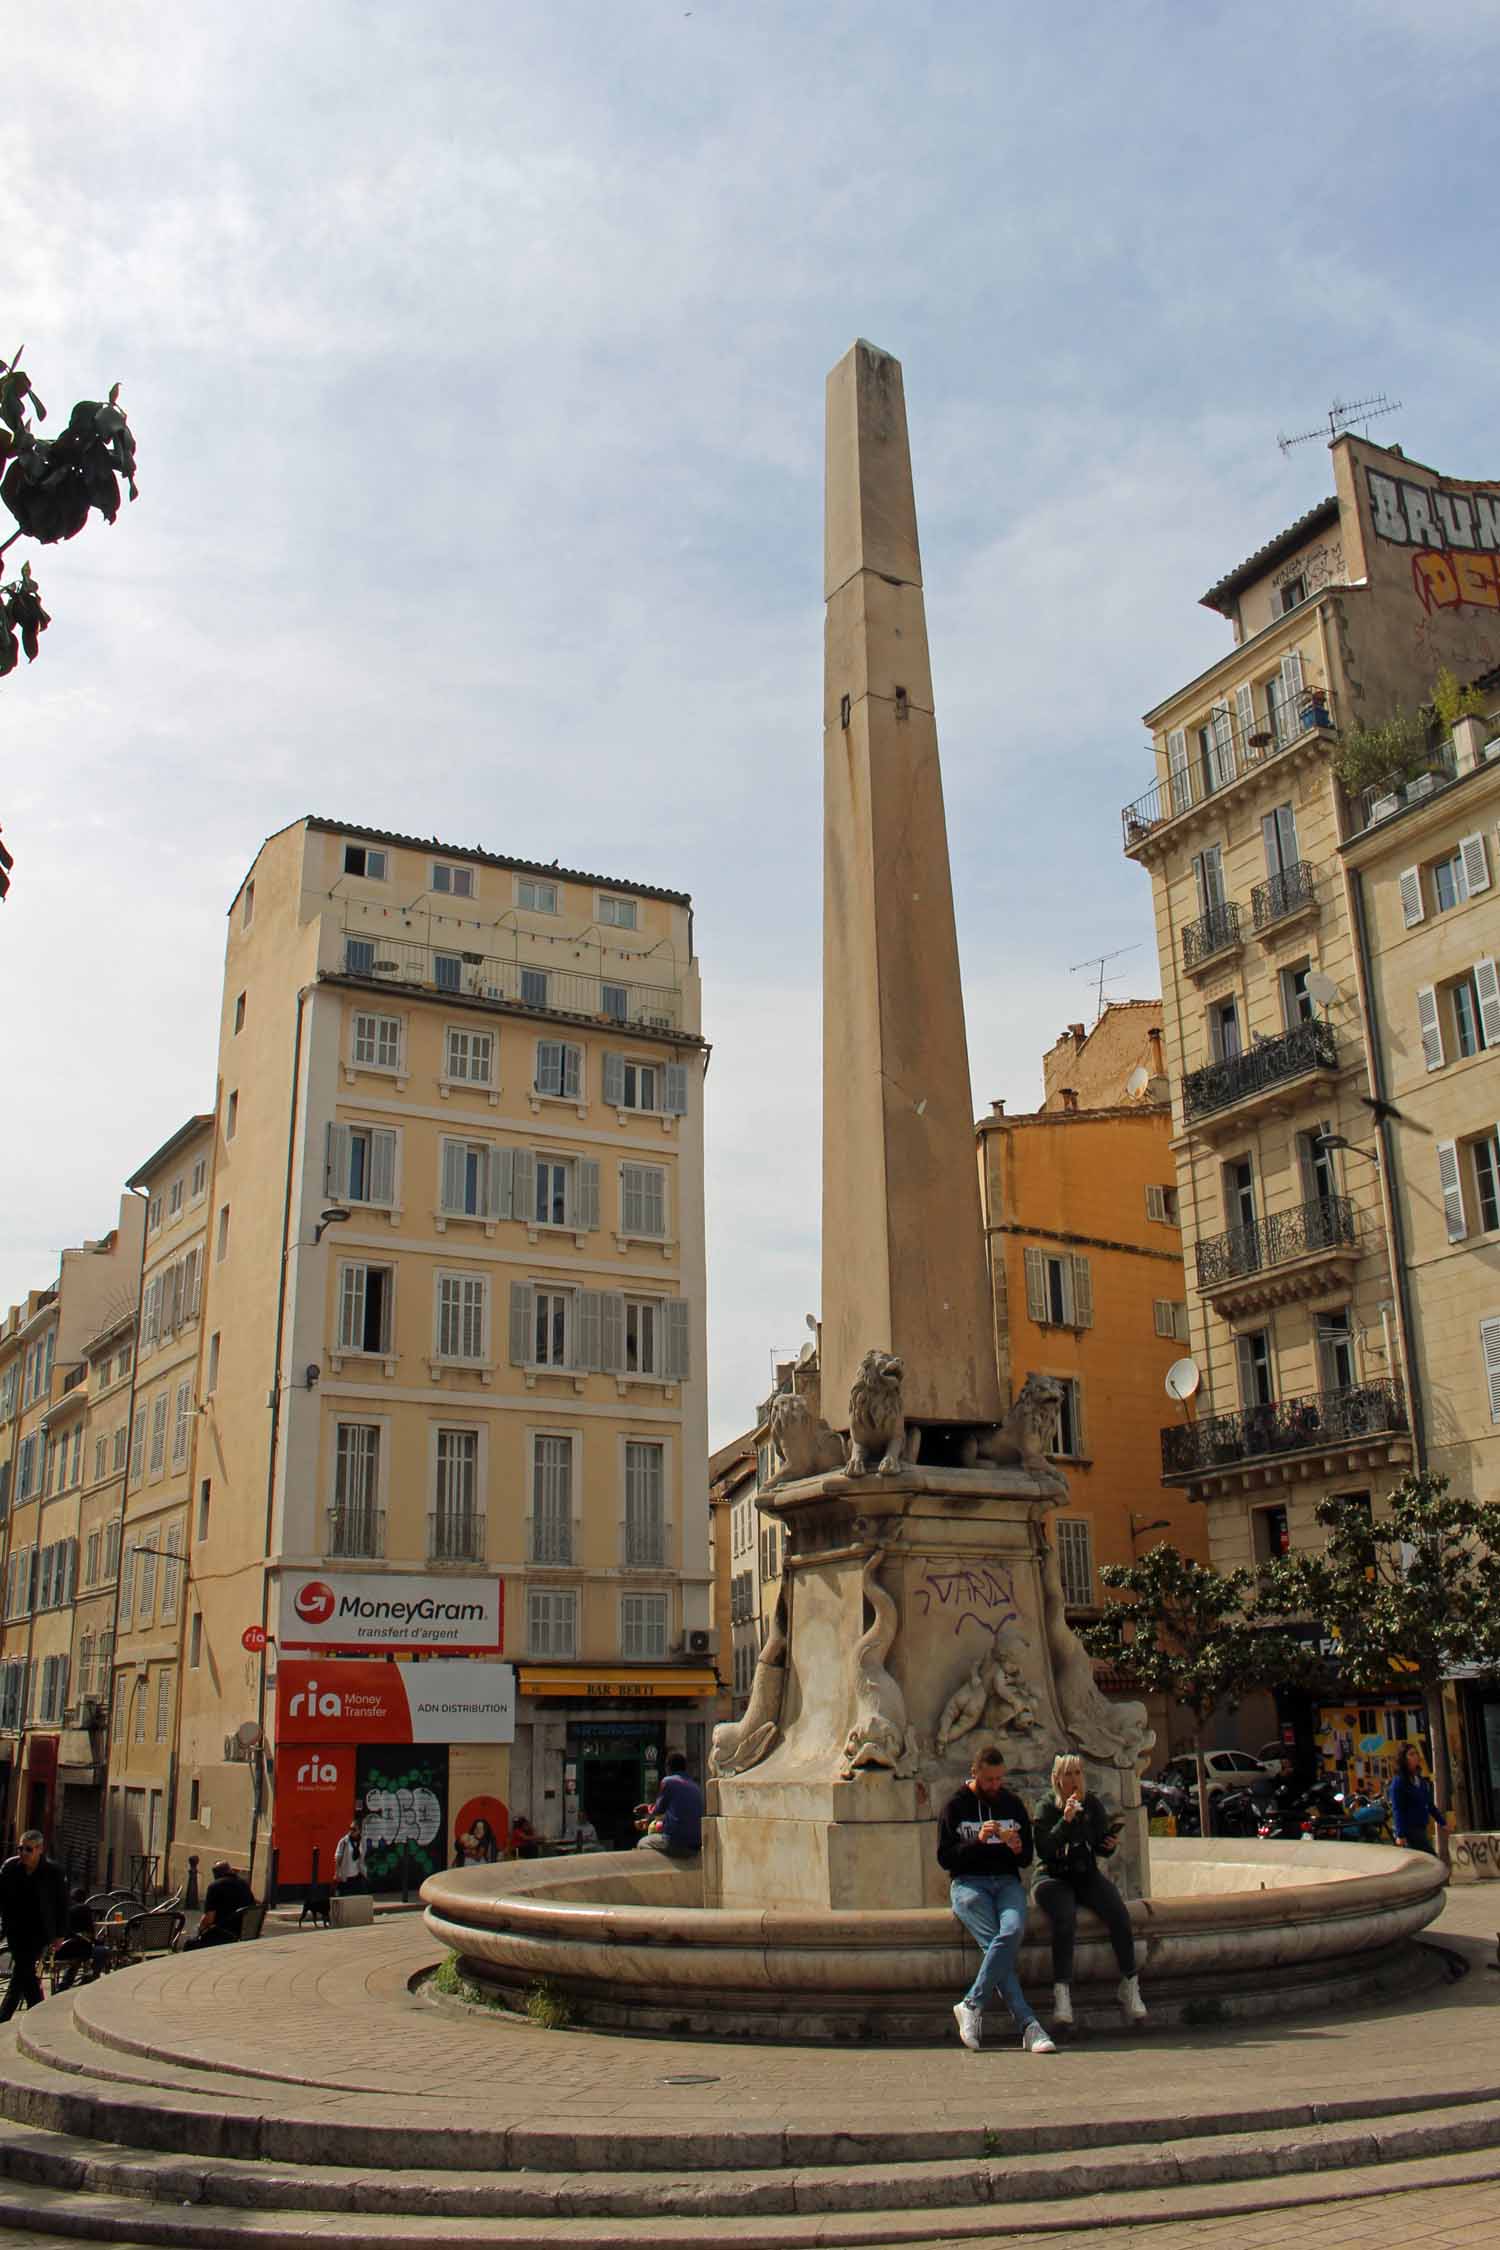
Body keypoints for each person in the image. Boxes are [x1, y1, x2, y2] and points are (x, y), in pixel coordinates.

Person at [937, 1745, 1055, 2054]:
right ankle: (1029, 2025)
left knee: (1012, 1930)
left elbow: (1027, 1858)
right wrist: (976, 1841)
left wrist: (1016, 1848)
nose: (995, 1786)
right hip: (968, 1885)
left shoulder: (1012, 1805)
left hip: (1006, 1882)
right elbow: (946, 1858)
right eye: (989, 1780)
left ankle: (971, 2004)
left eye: (999, 1779)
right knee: (995, 1945)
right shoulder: (955, 1806)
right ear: (974, 1773)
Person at [1032, 1754, 1146, 2028]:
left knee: (1118, 1912)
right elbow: (1044, 1850)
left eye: (1077, 1773)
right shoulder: (1046, 1806)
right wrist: (1066, 1820)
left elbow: (1098, 1846)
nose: (1074, 1780)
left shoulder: (1091, 1803)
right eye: (1068, 1775)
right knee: (1065, 1918)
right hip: (1053, 1877)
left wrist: (1108, 1843)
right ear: (1057, 1778)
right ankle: (1062, 1994)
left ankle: (1129, 1984)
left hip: (1085, 1874)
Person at [0, 1831, 68, 2019]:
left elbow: (62, 1905)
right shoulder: (10, 1868)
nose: (23, 1853)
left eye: (28, 1849)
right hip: (15, 1930)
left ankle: (3, 2016)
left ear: (39, 1849)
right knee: (27, 1975)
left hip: (40, 1931)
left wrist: (60, 1934)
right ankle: (40, 2014)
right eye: (20, 1848)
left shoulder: (53, 1872)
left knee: (21, 1971)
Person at [635, 1751, 702, 1857]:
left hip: (677, 1843)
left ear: (668, 1768)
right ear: (685, 1768)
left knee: (642, 1843)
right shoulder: (695, 1786)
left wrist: (647, 1809)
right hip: (696, 1844)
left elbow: (658, 1810)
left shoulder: (669, 1781)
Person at [1389, 1742, 1446, 1854]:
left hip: (1421, 1827)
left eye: (1416, 1753)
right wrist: (1400, 1834)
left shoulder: (1419, 1780)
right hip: (1410, 1830)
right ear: (1403, 1759)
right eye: (1411, 1754)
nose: (1416, 1756)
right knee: (1431, 1857)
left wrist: (1441, 1821)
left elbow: (1429, 1803)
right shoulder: (1399, 1782)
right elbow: (1397, 1809)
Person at [184, 1859, 256, 1947]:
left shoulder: (215, 1886)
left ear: (215, 1874)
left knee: (190, 1944)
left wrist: (199, 1929)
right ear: (230, 1870)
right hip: (243, 1931)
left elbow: (209, 1918)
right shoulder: (244, 1884)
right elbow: (253, 1906)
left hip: (223, 1934)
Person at [333, 1817, 367, 1895]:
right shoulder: (344, 1841)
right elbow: (337, 1857)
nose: (351, 1831)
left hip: (357, 1875)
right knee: (343, 1899)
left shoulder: (362, 1841)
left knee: (358, 1899)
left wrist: (364, 1871)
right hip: (345, 1876)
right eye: (350, 1828)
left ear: (359, 1831)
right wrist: (337, 1873)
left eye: (354, 1829)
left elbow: (362, 1857)